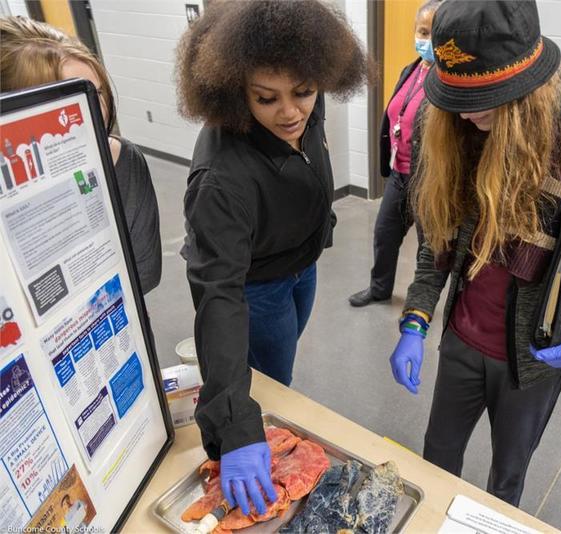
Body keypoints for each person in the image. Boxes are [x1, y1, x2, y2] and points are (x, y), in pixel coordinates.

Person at [389, 0, 561, 506]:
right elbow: (438, 235)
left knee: (507, 477)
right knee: (436, 456)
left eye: (483, 99)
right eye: (456, 95)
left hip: (536, 357)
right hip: (462, 339)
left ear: (526, 86)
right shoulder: (454, 124)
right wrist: (416, 317)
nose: (465, 111)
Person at [175, 0, 369, 517]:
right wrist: (236, 426)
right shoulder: (221, 181)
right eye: (266, 99)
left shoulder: (304, 101)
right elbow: (219, 298)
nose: (290, 113)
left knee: (276, 371)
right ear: (235, 92)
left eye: (304, 92)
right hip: (255, 289)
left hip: (300, 267)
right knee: (270, 383)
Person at [0, 16, 162, 293]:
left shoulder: (125, 161)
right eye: (69, 103)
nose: (95, 111)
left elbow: (145, 273)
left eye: (96, 93)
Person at [349, 0, 441, 307]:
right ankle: (379, 289)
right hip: (399, 175)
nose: (426, 40)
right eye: (423, 31)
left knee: (427, 248)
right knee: (384, 234)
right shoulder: (410, 69)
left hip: (429, 181)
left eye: (435, 34)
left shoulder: (449, 82)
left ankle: (418, 303)